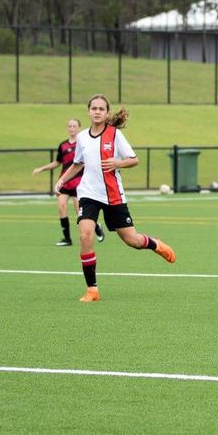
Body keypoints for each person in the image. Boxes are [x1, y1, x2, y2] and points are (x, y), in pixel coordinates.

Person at [54, 94, 176, 302]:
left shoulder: (114, 135)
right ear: (88, 111)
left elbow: (134, 160)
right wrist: (61, 180)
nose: (97, 111)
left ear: (107, 113)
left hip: (112, 194)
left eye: (102, 109)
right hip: (88, 194)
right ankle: (92, 290)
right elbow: (78, 163)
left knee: (132, 240)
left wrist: (117, 163)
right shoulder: (82, 137)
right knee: (85, 235)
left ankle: (155, 244)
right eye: (94, 108)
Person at [33, 118, 105, 246]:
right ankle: (67, 239)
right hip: (65, 182)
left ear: (79, 128)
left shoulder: (83, 143)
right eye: (70, 126)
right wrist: (41, 168)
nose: (72, 128)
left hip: (79, 182)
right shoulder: (63, 145)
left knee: (80, 212)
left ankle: (96, 227)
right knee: (61, 207)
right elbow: (57, 162)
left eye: (74, 126)